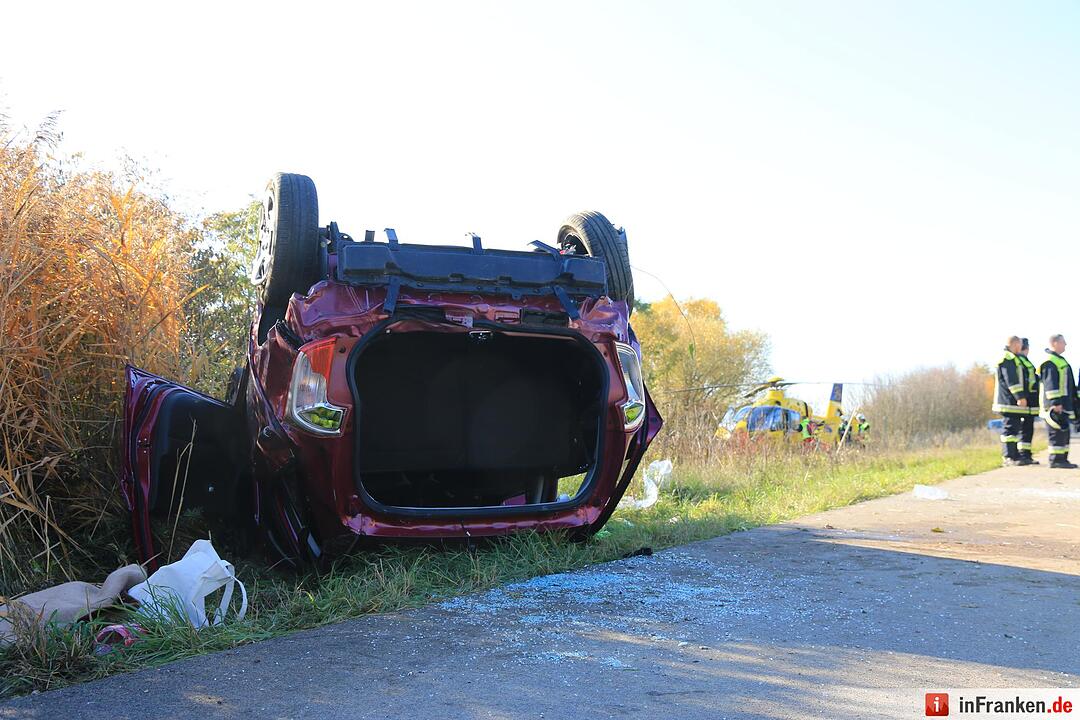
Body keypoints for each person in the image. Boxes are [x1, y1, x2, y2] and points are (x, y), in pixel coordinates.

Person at [1039, 334, 1078, 469]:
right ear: (1055, 343)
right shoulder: (1050, 362)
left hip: (1064, 404)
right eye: (1063, 342)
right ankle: (1055, 460)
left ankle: (1062, 459)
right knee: (1056, 433)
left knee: (1064, 433)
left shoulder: (1059, 360)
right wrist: (1055, 402)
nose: (1065, 344)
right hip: (1054, 406)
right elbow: (1051, 384)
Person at [993, 336, 1028, 466]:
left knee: (1014, 429)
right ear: (1014, 344)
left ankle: (1014, 455)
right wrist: (1020, 396)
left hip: (1011, 402)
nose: (1021, 347)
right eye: (1019, 344)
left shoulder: (1013, 358)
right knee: (1009, 430)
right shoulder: (1008, 358)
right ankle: (1008, 456)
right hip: (1008, 401)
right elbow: (1011, 380)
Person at [1016, 338, 1040, 465]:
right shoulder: (1020, 361)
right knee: (1024, 429)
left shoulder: (1025, 361)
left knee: (1027, 428)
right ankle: (1022, 455)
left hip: (1030, 401)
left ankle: (1026, 454)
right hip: (1025, 401)